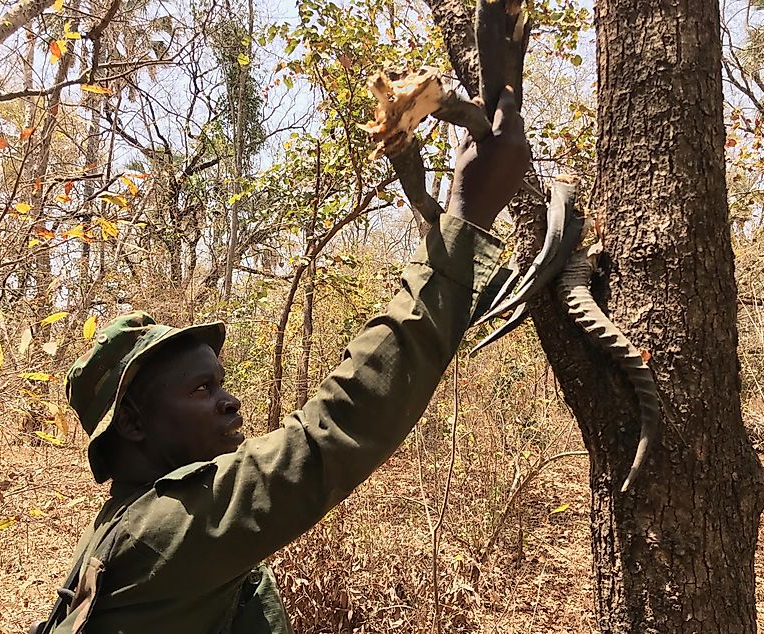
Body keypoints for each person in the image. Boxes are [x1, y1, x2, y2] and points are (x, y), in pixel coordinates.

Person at [39, 87, 530, 633]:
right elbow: (331, 430)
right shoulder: (165, 531)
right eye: (201, 391)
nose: (231, 402)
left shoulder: (120, 529)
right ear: (130, 421)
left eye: (221, 384)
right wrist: (468, 215)